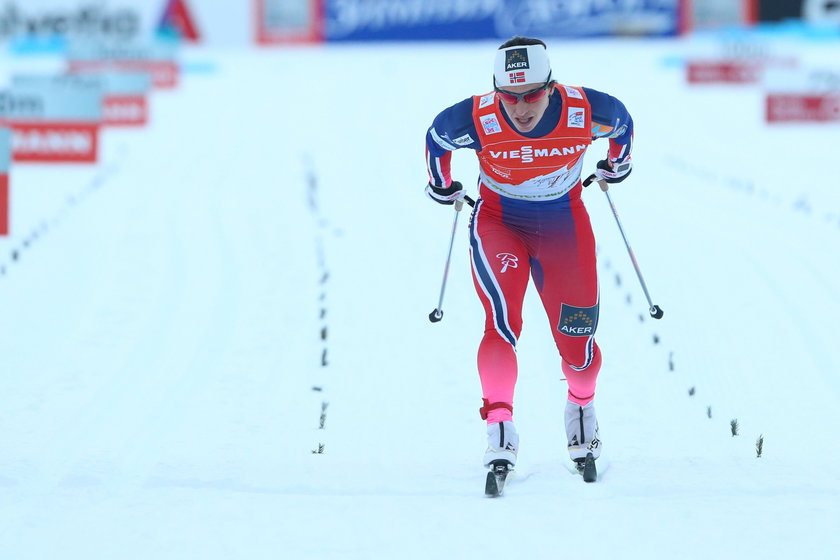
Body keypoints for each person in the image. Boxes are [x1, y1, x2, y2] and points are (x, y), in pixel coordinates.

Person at [424, 36, 633, 476]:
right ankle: (500, 427)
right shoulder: (476, 117)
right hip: (501, 222)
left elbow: (623, 125)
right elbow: (437, 137)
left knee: (578, 346)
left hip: (564, 225)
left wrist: (616, 166)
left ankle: (581, 409)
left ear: (551, 87)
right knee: (502, 322)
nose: (521, 108)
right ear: (495, 91)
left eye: (533, 94)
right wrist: (443, 186)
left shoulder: (587, 111)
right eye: (509, 97)